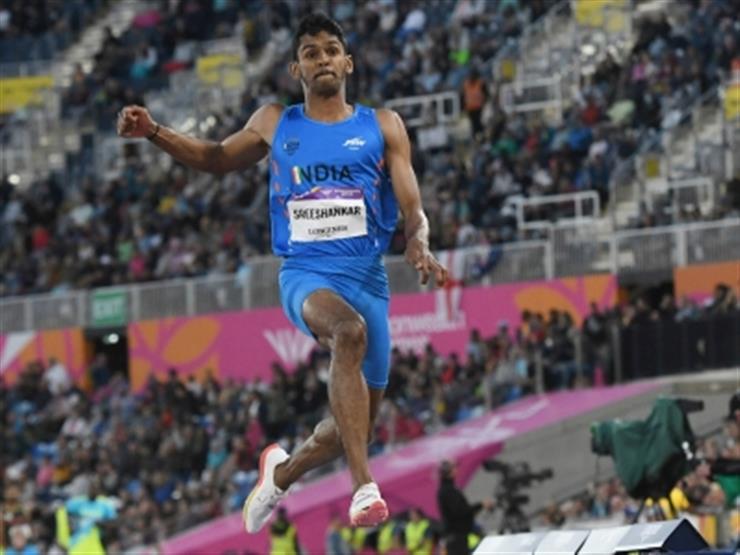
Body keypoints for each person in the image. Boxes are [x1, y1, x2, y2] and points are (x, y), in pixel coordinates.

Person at [117, 12, 448, 532]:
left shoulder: (383, 126)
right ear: (297, 68)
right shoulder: (276, 122)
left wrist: (418, 240)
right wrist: (154, 131)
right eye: (311, 53)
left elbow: (412, 204)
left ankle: (281, 474)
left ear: (348, 62)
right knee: (348, 332)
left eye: (331, 50)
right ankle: (364, 488)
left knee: (355, 427)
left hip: (367, 278)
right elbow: (216, 157)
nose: (322, 59)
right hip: (306, 273)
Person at [437, 460, 492, 555]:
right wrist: (481, 505)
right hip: (457, 538)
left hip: (458, 536)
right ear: (449, 471)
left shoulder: (448, 488)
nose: (456, 470)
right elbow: (460, 511)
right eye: (454, 467)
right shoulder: (448, 490)